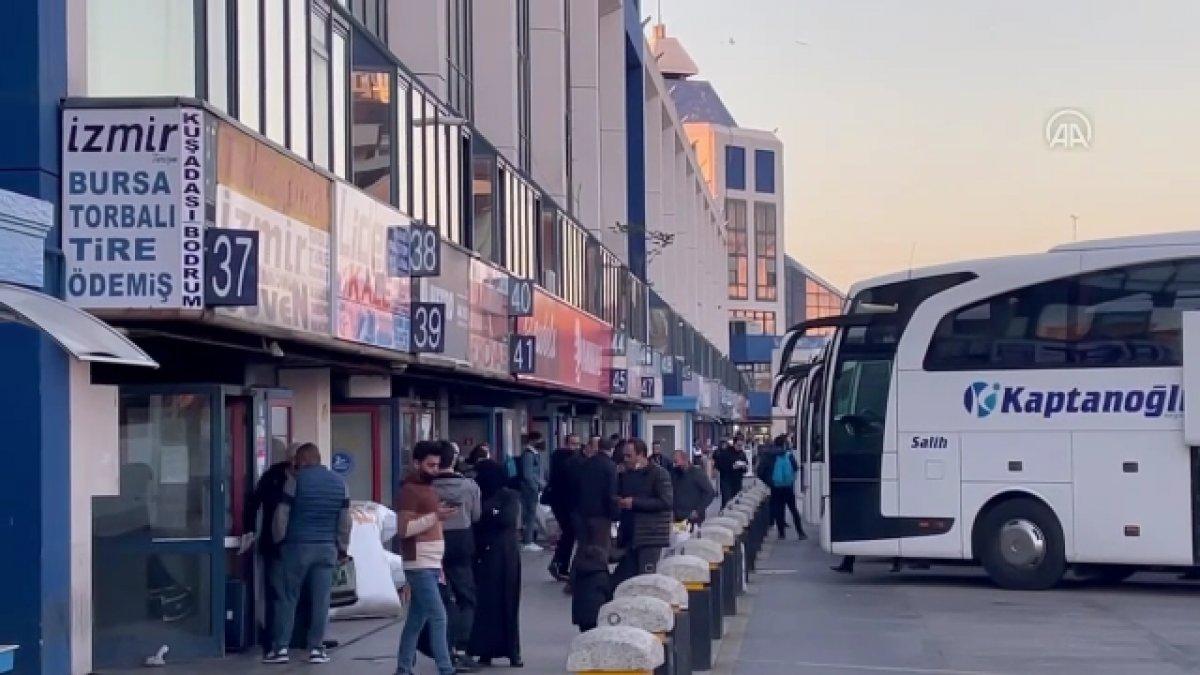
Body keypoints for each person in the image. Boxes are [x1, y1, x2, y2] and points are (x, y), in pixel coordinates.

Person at [264, 443, 351, 665]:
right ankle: (317, 649)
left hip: (296, 548)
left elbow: (281, 515)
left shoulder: (295, 481)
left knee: (287, 598)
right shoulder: (340, 483)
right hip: (326, 549)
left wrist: (279, 541)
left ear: (301, 460)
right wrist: (342, 547)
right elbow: (345, 521)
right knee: (321, 601)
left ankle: (281, 649)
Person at [394, 441, 460, 675]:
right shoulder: (409, 491)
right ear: (416, 463)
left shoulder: (427, 489)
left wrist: (437, 517)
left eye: (437, 465)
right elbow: (404, 529)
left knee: (417, 620)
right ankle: (445, 668)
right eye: (430, 465)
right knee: (438, 616)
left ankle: (403, 668)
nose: (435, 470)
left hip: (429, 561)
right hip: (419, 561)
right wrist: (435, 516)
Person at [430, 441, 482, 672]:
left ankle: (444, 647)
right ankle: (462, 647)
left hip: (434, 540)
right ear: (454, 460)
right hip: (462, 541)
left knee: (440, 598)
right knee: (466, 596)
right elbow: (476, 515)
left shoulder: (428, 488)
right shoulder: (469, 486)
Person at [467, 460, 524, 666]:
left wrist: (488, 515)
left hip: (504, 557)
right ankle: (486, 649)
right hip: (486, 555)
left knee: (507, 603)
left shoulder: (508, 496)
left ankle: (511, 650)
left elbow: (505, 519)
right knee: (486, 605)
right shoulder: (479, 496)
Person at [243, 441, 296, 656]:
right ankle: (273, 639)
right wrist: (249, 529)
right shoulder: (273, 476)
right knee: (276, 593)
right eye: (293, 459)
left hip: (297, 544)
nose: (296, 463)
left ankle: (294, 637)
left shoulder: (307, 478)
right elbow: (254, 502)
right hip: (274, 544)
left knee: (291, 594)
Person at [571, 438, 620, 632]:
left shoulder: (584, 464)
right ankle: (597, 583)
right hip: (601, 516)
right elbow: (611, 493)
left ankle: (576, 578)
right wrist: (615, 515)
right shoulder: (610, 467)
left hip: (582, 514)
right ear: (611, 449)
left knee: (583, 548)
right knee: (600, 551)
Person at [613, 439, 673, 587]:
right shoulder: (625, 474)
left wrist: (634, 503)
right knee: (623, 580)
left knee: (645, 580)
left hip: (650, 535)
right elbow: (617, 494)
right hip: (629, 535)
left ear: (641, 455)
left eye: (629, 456)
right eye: (624, 456)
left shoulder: (659, 474)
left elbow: (666, 501)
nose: (625, 459)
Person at [545, 433, 584, 582]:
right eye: (572, 443)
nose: (575, 447)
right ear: (565, 443)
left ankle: (559, 564)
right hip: (563, 502)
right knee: (569, 531)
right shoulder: (564, 458)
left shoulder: (564, 457)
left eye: (577, 444)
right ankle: (559, 564)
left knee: (569, 532)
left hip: (562, 501)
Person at [756, 434, 806, 540]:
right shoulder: (789, 455)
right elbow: (795, 468)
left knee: (779, 509)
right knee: (793, 509)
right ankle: (800, 532)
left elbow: (760, 471)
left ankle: (781, 534)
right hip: (788, 486)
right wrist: (791, 479)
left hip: (775, 487)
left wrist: (770, 482)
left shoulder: (769, 455)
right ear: (784, 444)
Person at [670, 449, 716, 525]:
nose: (675, 464)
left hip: (694, 517)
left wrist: (698, 510)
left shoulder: (697, 473)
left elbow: (710, 493)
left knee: (693, 532)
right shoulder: (674, 473)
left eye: (676, 461)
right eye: (674, 462)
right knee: (679, 532)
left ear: (685, 459)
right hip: (678, 517)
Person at [517, 432, 546, 551]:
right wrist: (537, 486)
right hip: (529, 490)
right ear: (532, 441)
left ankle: (530, 538)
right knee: (529, 515)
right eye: (539, 440)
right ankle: (528, 541)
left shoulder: (535, 454)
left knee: (532, 515)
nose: (541, 443)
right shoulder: (528, 455)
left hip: (534, 488)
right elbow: (528, 475)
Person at [713, 437, 750, 507]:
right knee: (727, 501)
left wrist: (743, 467)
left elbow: (746, 467)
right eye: (738, 445)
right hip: (726, 481)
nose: (740, 447)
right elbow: (719, 466)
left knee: (736, 500)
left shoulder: (742, 454)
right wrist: (732, 467)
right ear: (734, 444)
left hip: (737, 481)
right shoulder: (725, 453)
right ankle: (724, 512)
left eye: (741, 445)